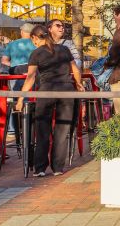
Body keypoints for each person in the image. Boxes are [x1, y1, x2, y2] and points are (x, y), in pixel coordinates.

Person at [16, 25, 84, 177]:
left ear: (35, 38)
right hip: (67, 91)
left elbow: (30, 78)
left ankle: (40, 168)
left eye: (32, 40)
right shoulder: (64, 50)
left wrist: (21, 98)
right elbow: (75, 69)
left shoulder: (36, 53)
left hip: (46, 91)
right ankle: (58, 168)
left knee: (42, 129)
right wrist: (78, 84)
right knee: (62, 130)